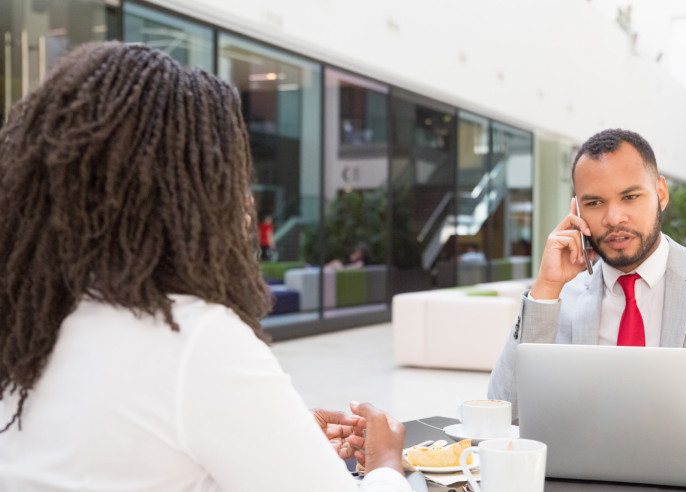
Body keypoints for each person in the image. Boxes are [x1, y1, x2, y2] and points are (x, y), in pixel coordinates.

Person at [0, 42, 411, 491]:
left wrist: (275, 435)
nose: (247, 198)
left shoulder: (28, 322)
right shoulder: (193, 335)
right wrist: (387, 463)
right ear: (190, 193)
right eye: (232, 174)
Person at [487, 128, 686, 472]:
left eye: (630, 196)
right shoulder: (557, 299)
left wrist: (674, 411)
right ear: (576, 210)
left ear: (661, 193)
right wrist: (545, 289)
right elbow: (500, 418)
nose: (614, 218)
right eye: (595, 202)